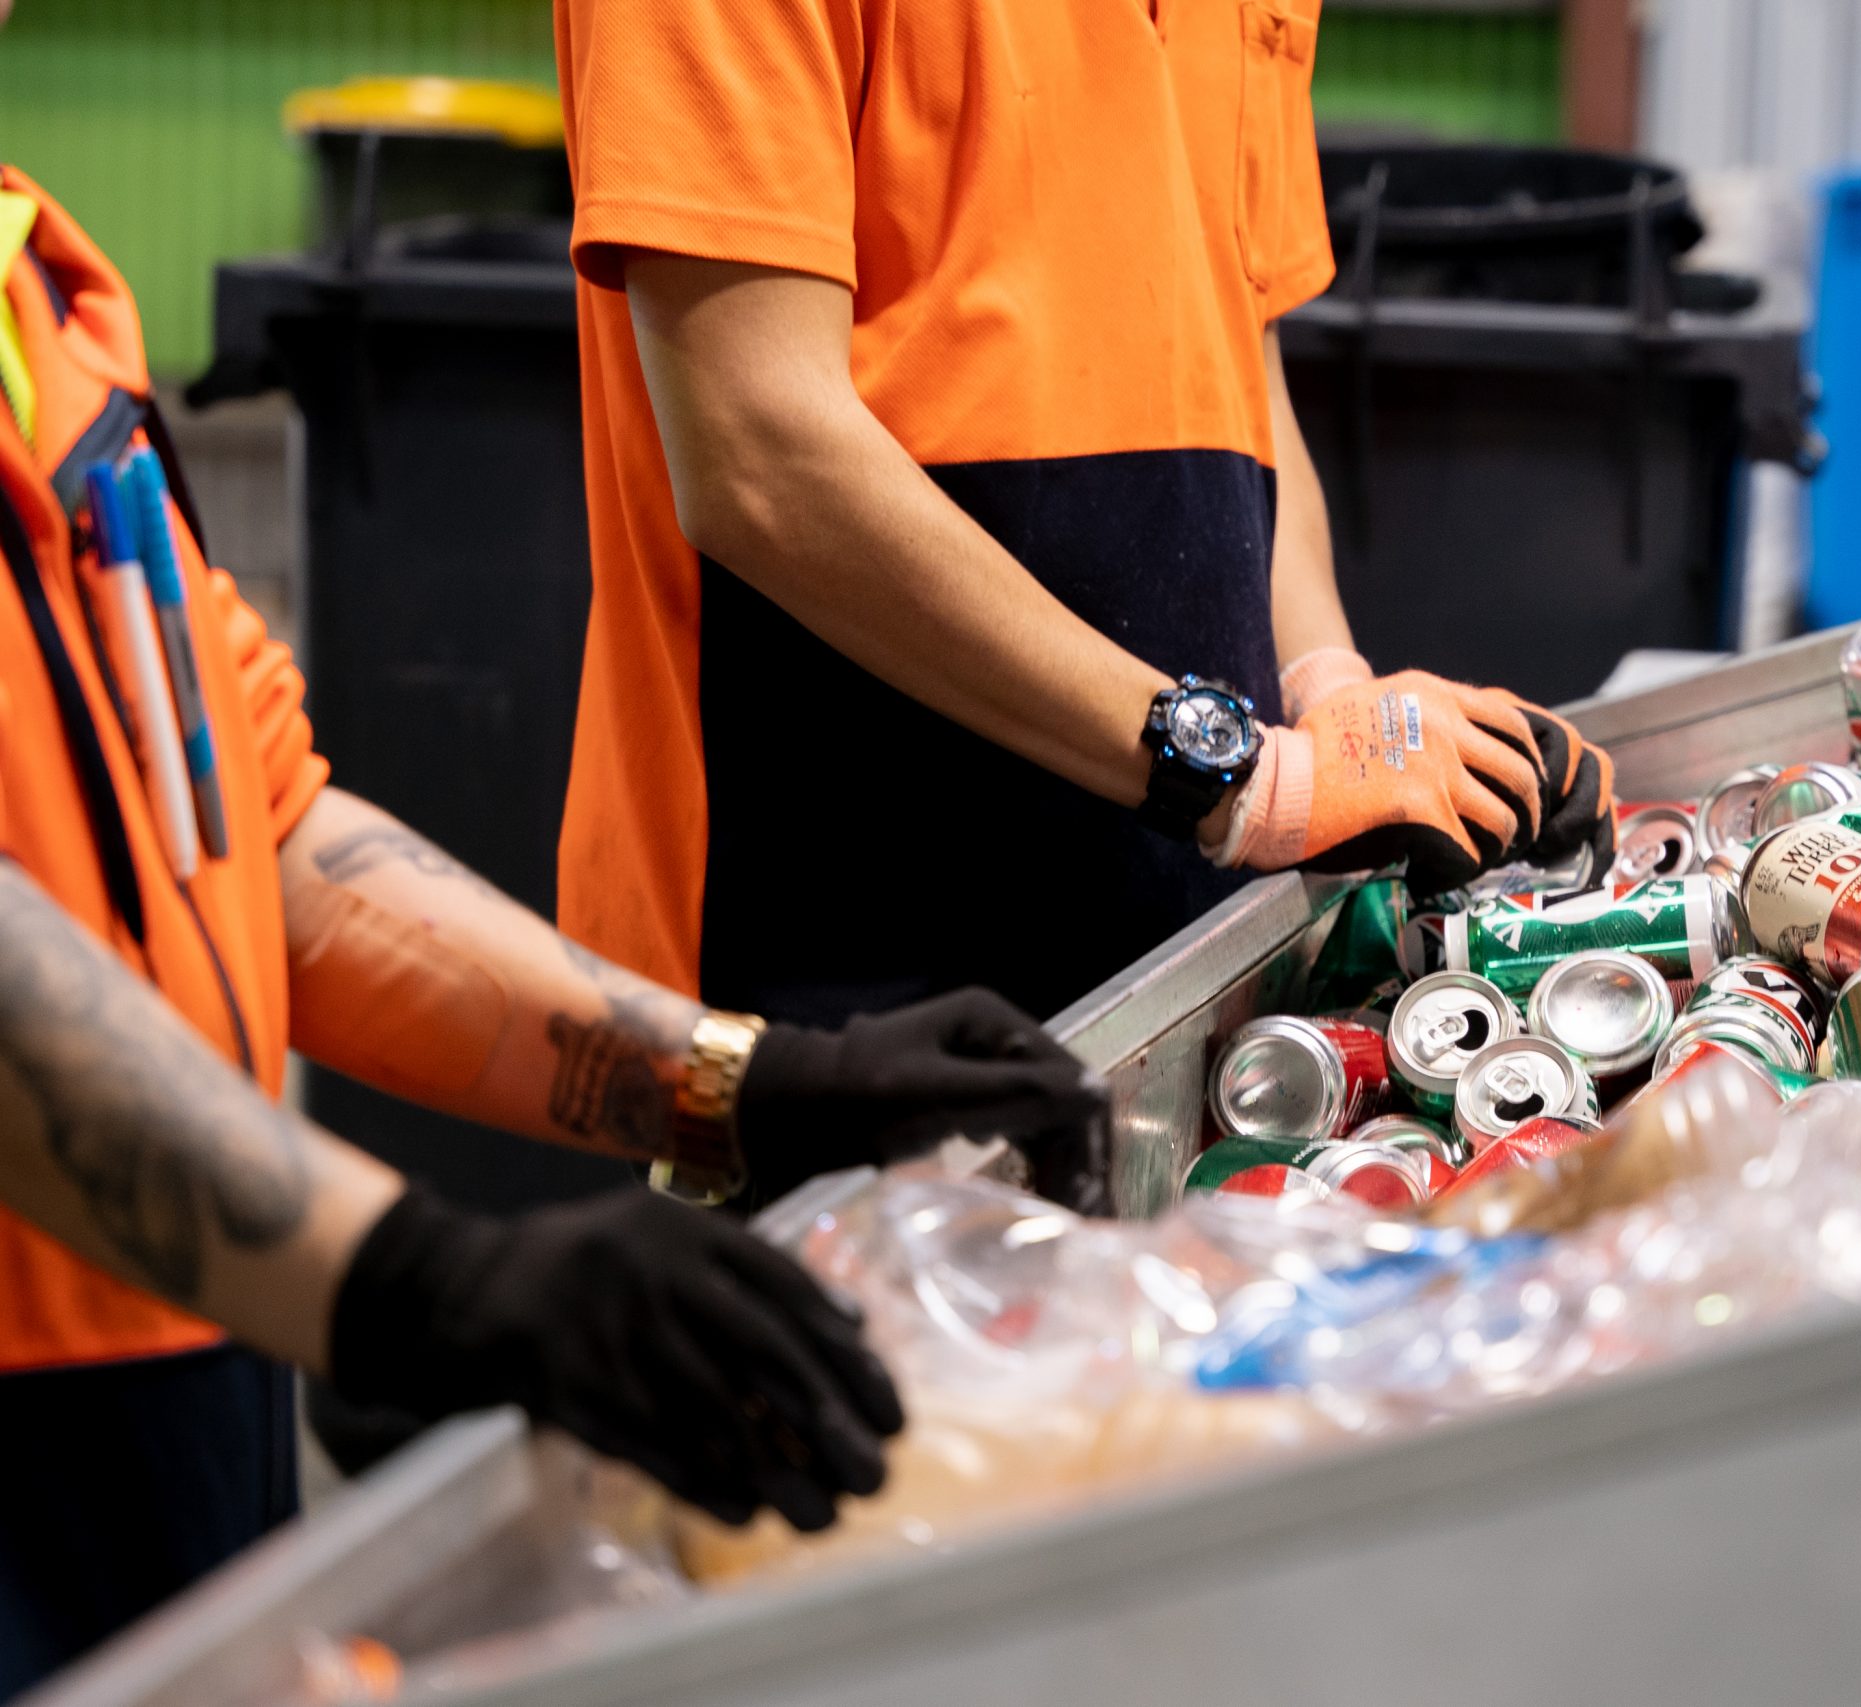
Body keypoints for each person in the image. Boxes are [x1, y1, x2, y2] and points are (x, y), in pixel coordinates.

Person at [0, 157, 1102, 1696]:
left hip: (185, 1358)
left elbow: (268, 839)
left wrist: (745, 1081)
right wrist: (423, 1282)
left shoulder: (39, 296)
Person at [549, 0, 1618, 1031]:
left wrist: (1330, 700)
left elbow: (1234, 360)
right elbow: (761, 454)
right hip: (823, 965)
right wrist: (1240, 774)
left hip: (1176, 959)